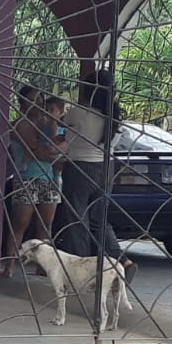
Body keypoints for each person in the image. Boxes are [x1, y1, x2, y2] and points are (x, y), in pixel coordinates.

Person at [60, 69, 135, 278]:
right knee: (99, 220)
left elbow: (63, 132)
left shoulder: (78, 113)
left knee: (77, 220)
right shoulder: (115, 118)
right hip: (106, 169)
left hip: (80, 168)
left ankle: (81, 270)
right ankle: (123, 261)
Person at [3, 88, 65, 277]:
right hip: (26, 178)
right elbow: (41, 151)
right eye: (30, 100)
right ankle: (10, 265)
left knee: (46, 225)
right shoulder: (19, 125)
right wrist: (52, 152)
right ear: (22, 103)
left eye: (38, 100)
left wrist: (52, 148)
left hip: (50, 178)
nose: (35, 104)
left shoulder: (49, 125)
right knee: (20, 223)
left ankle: (42, 265)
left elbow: (59, 151)